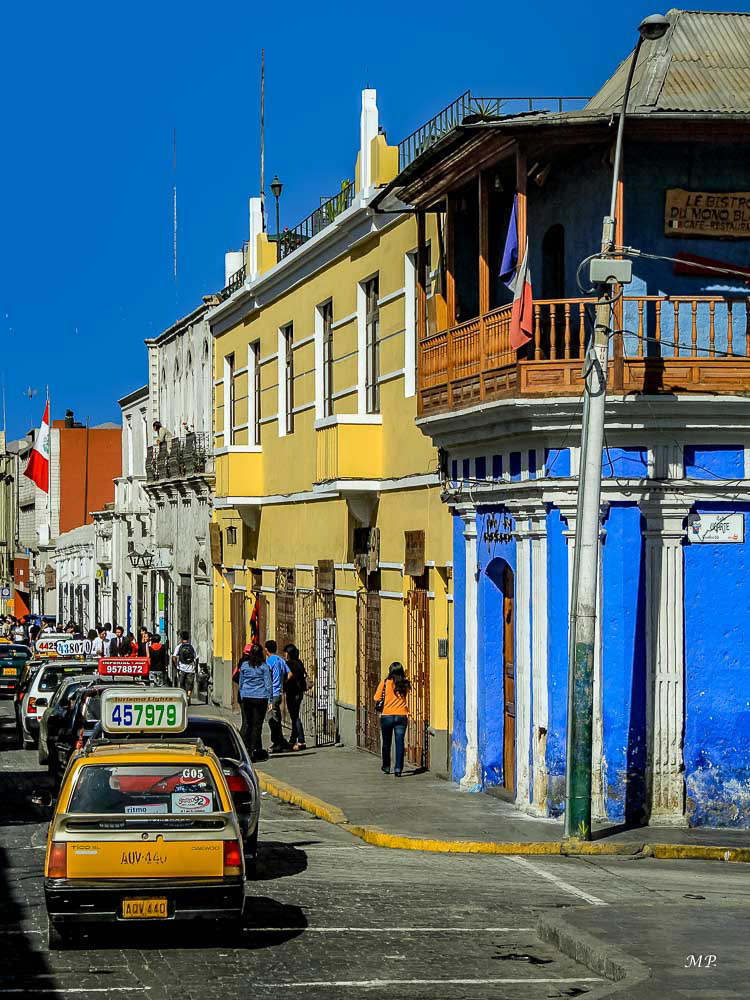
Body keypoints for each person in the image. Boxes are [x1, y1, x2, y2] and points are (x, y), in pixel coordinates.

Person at [374, 662, 411, 777]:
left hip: (387, 716)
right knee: (399, 743)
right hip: (401, 716)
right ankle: (398, 769)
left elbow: (376, 697)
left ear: (390, 671)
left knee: (386, 743)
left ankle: (386, 766)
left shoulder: (385, 682)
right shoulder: (405, 684)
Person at [237, 642, 272, 762]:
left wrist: (242, 695)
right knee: (257, 726)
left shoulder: (245, 665)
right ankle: (253, 750)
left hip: (247, 697)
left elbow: (241, 682)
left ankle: (245, 750)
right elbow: (268, 685)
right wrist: (270, 699)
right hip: (261, 698)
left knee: (248, 724)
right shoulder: (264, 667)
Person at [264, 639, 290, 753]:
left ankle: (277, 743)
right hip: (279, 692)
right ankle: (280, 741)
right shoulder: (280, 660)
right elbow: (289, 673)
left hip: (272, 693)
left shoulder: (269, 661)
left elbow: (267, 675)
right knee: (277, 718)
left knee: (272, 719)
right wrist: (282, 683)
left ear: (266, 650)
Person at [283, 644, 307, 751]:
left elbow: (288, 676)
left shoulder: (288, 664)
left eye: (285, 652)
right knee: (294, 715)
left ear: (288, 653)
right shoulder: (299, 663)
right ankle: (293, 739)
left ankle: (301, 740)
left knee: (295, 716)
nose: (284, 655)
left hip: (292, 693)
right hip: (299, 692)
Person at [172, 630, 198, 705]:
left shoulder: (179, 646)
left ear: (181, 638)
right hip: (191, 668)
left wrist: (176, 665)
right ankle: (188, 696)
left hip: (181, 668)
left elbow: (174, 657)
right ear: (189, 638)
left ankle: (183, 697)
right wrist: (195, 667)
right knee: (190, 684)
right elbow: (196, 657)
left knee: (182, 683)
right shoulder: (192, 647)